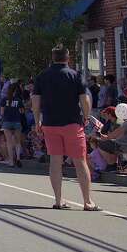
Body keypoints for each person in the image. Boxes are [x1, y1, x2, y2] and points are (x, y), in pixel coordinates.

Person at [31, 45, 100, 211]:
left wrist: (37, 121)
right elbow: (85, 99)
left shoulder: (42, 76)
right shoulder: (75, 75)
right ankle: (87, 201)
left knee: (55, 161)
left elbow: (35, 102)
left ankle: (58, 200)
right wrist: (86, 116)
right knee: (80, 161)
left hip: (50, 123)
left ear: (52, 58)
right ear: (67, 58)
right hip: (72, 123)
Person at [0, 80, 25, 167]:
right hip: (17, 122)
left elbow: (2, 113)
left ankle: (11, 161)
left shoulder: (4, 100)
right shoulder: (18, 100)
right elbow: (22, 112)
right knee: (18, 142)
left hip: (7, 122)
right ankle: (18, 158)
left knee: (9, 142)